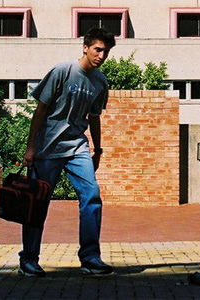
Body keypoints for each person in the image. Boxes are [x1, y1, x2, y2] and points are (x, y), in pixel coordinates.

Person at [19, 27, 116, 277]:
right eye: (98, 49)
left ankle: (90, 257)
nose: (101, 55)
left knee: (92, 195)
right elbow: (40, 110)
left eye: (105, 52)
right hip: (48, 148)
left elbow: (94, 117)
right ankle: (28, 259)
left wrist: (98, 150)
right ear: (85, 47)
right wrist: (31, 146)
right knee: (37, 203)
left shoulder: (100, 82)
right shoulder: (63, 71)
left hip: (77, 147)